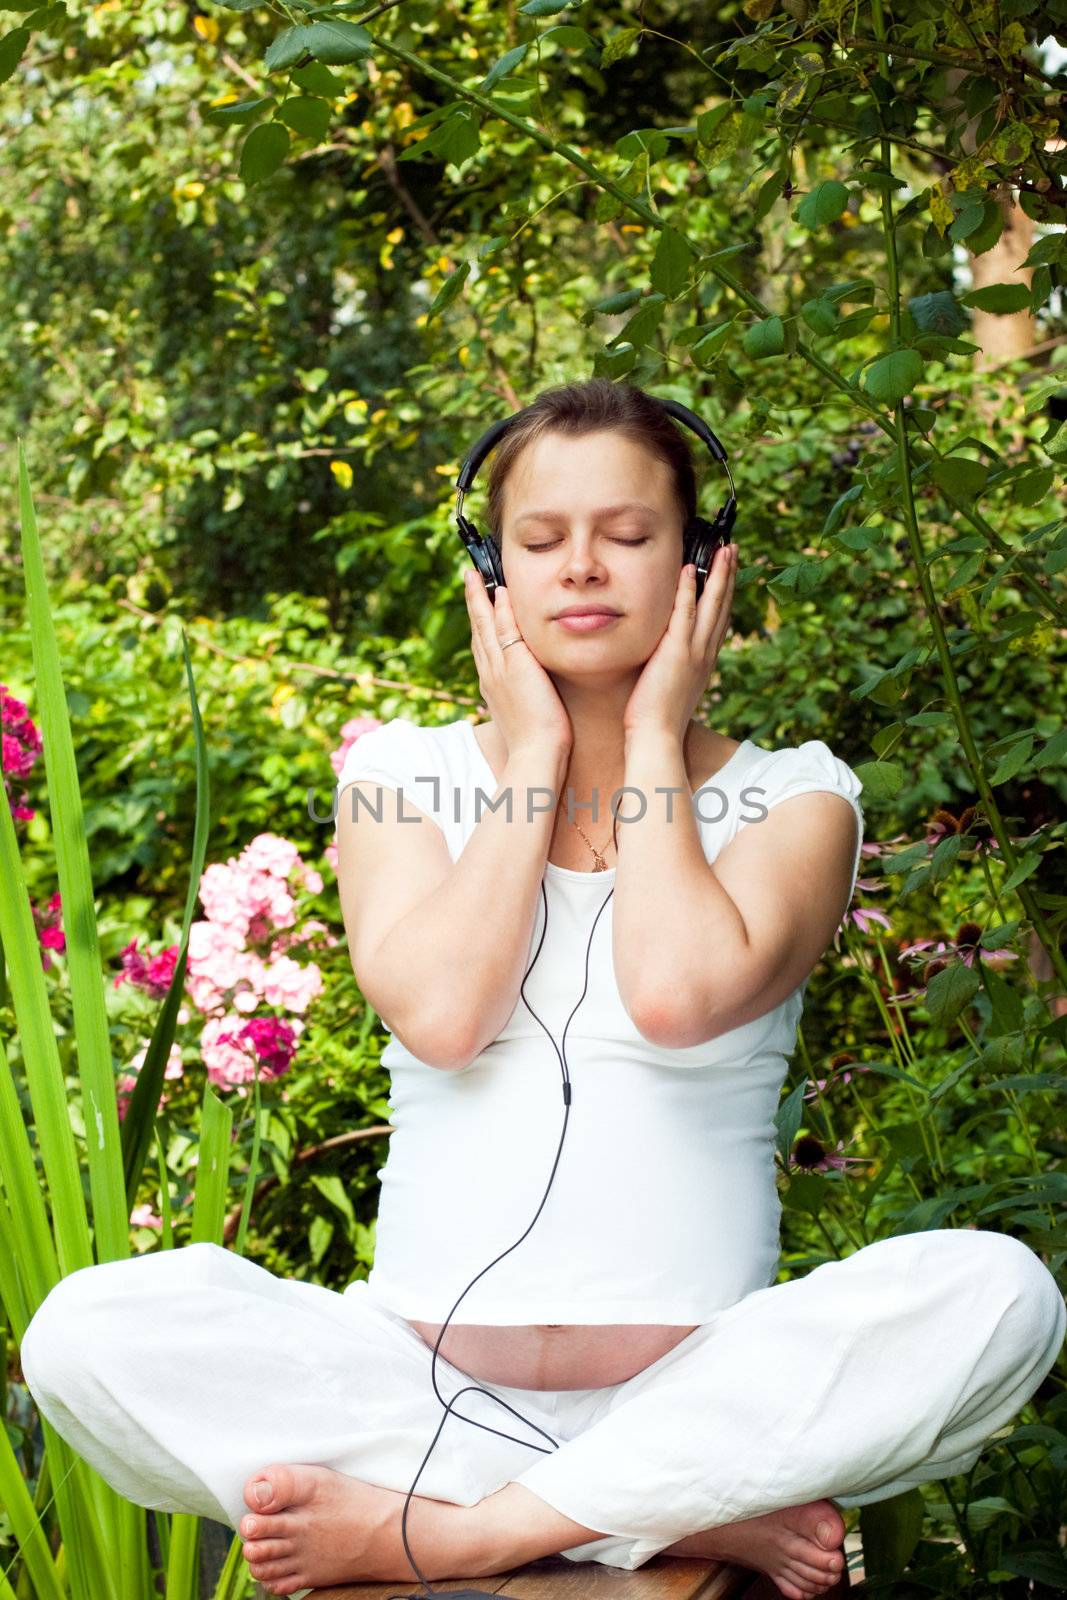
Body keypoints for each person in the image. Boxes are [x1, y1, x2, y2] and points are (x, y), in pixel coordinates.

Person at [19, 381, 1066, 1600]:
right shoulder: (400, 777)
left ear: (699, 564)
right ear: (490, 569)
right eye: (538, 540)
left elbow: (674, 992)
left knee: (1001, 1294)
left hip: (698, 1379)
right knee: (81, 1333)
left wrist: (656, 737)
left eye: (627, 536)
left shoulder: (797, 794)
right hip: (410, 1386)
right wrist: (529, 757)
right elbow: (447, 1018)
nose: (581, 568)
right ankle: (658, 1502)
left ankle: (465, 1527)